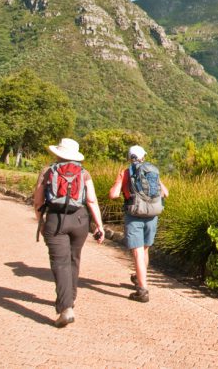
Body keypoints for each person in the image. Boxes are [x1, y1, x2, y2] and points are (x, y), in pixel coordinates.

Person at [32, 138, 105, 328]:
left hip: (56, 219)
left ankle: (66, 308)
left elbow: (38, 201)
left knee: (60, 263)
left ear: (58, 153)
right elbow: (91, 201)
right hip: (80, 219)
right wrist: (99, 225)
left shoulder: (48, 171)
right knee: (74, 259)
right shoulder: (84, 173)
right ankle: (70, 298)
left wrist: (41, 222)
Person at [108, 145, 168, 303]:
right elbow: (165, 193)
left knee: (137, 252)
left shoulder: (126, 172)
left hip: (134, 215)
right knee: (145, 249)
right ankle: (139, 278)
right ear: (144, 156)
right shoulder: (152, 171)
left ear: (129, 157)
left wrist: (120, 182)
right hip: (152, 215)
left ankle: (142, 289)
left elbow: (113, 194)